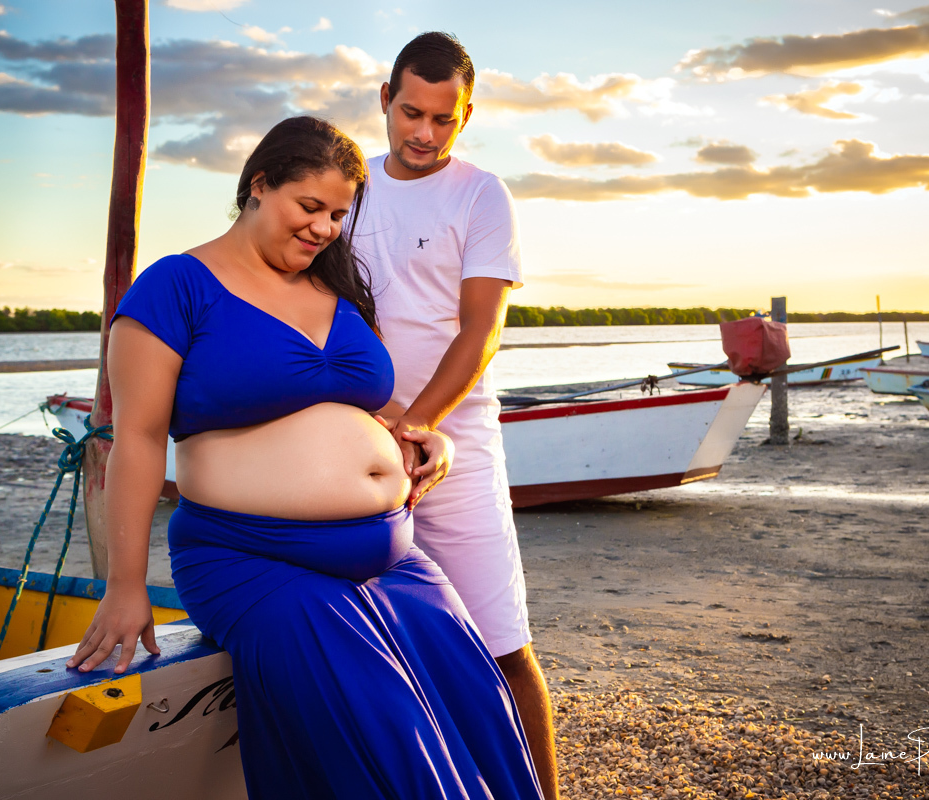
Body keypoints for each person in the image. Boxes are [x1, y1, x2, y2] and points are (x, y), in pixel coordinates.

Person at [66, 116, 543, 800]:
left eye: (339, 215)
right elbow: (138, 438)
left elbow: (355, 405)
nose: (324, 228)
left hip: (390, 557)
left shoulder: (338, 287)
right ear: (259, 185)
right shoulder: (174, 287)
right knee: (393, 738)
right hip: (254, 559)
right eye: (310, 206)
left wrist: (421, 433)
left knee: (480, 708)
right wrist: (125, 586)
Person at [356, 32, 560, 799]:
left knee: (502, 645)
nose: (424, 133)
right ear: (386, 99)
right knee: (379, 645)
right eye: (411, 113)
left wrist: (416, 426)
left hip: (456, 447)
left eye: (443, 119)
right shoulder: (349, 187)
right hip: (355, 442)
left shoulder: (482, 195)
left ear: (465, 116)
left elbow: (481, 331)